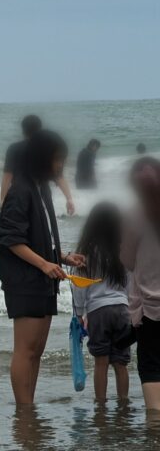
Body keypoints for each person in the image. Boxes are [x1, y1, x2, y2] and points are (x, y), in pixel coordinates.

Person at [0, 130, 85, 405]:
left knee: (36, 351)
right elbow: (7, 238)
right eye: (58, 160)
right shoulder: (20, 189)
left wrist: (62, 257)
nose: (61, 166)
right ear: (42, 159)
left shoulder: (40, 187)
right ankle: (24, 410)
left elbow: (40, 234)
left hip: (44, 278)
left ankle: (28, 404)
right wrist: (45, 264)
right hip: (24, 280)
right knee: (25, 350)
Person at [71, 202, 131, 404]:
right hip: (123, 309)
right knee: (121, 363)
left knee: (101, 363)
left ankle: (101, 404)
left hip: (98, 311)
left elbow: (80, 286)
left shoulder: (86, 253)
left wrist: (79, 313)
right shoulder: (122, 250)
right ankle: (123, 402)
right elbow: (130, 282)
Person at [122, 157, 160, 411]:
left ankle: (155, 423)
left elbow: (126, 259)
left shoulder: (135, 214)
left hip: (149, 308)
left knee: (152, 366)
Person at [1, 115, 76, 216]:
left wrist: (2, 200)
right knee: (45, 226)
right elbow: (58, 175)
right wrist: (69, 198)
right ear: (40, 129)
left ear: (23, 130)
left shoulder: (14, 148)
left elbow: (7, 176)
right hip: (43, 194)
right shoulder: (47, 148)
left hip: (20, 196)